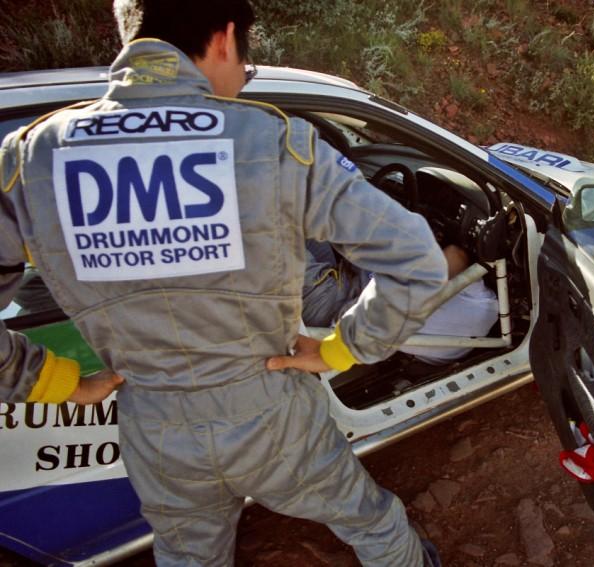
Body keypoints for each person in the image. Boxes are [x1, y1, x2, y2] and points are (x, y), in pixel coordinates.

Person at [0, 1, 446, 565]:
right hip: (273, 414)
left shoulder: (28, 158)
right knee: (370, 521)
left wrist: (56, 382)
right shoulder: (275, 142)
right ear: (226, 37)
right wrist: (342, 348)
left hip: (156, 431)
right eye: (248, 65)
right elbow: (417, 261)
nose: (242, 78)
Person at [302, 240, 499, 364]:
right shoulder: (454, 349)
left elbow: (457, 255)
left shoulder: (483, 305)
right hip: (343, 284)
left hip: (330, 302)